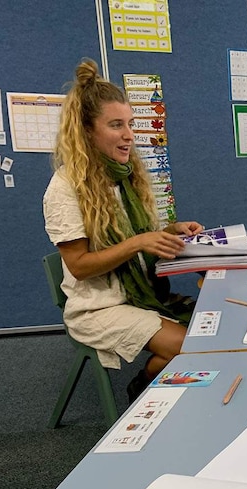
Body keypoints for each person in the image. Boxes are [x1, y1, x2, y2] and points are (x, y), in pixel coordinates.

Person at [43, 59, 203, 403]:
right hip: (97, 308)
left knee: (213, 333)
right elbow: (80, 266)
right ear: (87, 131)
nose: (129, 134)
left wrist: (168, 230)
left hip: (137, 294)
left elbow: (139, 234)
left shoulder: (124, 175)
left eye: (130, 124)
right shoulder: (65, 186)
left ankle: (152, 381)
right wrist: (138, 243)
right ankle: (144, 387)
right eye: (116, 125)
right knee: (193, 347)